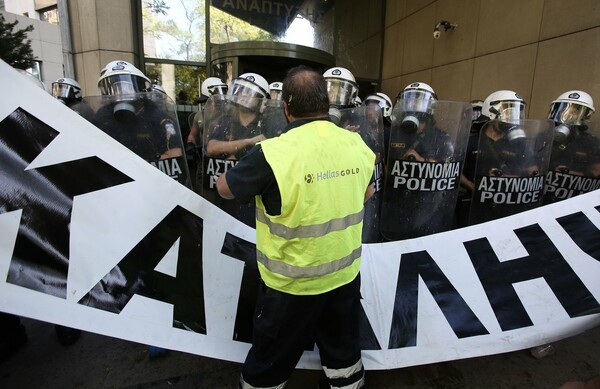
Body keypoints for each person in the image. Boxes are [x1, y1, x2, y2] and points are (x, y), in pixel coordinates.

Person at [216, 65, 375, 389]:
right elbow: (369, 191)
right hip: (343, 277)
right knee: (343, 354)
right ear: (327, 102)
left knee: (270, 361)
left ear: (286, 106)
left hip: (291, 286)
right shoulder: (355, 144)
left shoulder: (273, 153)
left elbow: (224, 188)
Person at [380, 82, 456, 240]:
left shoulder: (440, 137)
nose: (413, 104)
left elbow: (447, 168)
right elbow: (383, 164)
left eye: (419, 100)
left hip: (426, 204)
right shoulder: (394, 133)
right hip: (396, 202)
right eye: (410, 99)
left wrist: (422, 160)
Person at [543, 90, 600, 204]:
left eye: (575, 112)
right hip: (544, 195)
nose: (568, 116)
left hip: (572, 198)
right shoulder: (544, 137)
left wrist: (574, 173)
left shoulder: (590, 142)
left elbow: (596, 171)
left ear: (585, 116)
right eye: (564, 109)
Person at [205, 72, 270, 160]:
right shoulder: (226, 120)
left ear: (261, 101)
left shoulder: (266, 124)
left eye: (250, 92)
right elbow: (211, 148)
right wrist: (248, 142)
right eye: (240, 90)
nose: (243, 95)